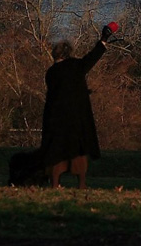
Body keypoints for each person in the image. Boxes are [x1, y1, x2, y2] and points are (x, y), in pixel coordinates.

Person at [40, 23, 117, 189]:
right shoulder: (76, 66)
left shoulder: (51, 72)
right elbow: (92, 57)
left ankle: (55, 182)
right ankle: (81, 183)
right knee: (79, 151)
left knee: (57, 151)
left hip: (55, 118)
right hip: (76, 116)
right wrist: (104, 38)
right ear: (69, 53)